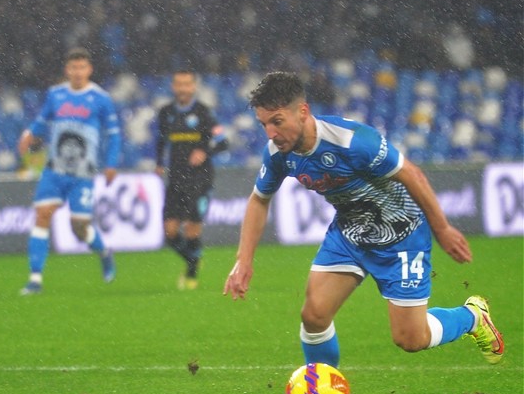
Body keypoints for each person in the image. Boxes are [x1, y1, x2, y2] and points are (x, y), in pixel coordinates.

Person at [223, 71, 503, 367]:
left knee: (411, 338)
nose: (270, 133)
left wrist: (442, 228)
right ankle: (321, 385)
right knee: (314, 315)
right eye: (264, 124)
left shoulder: (353, 141)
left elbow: (412, 174)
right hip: (350, 234)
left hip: (402, 234)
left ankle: (472, 317)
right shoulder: (277, 154)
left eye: (277, 121)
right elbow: (259, 199)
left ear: (302, 111)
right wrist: (244, 260)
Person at [17, 48, 121, 295]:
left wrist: (111, 164)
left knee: (79, 228)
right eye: (74, 67)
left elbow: (114, 135)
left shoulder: (100, 98)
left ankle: (103, 252)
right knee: (42, 215)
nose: (78, 72)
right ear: (67, 70)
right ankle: (35, 278)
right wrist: (29, 134)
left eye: (82, 67)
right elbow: (42, 121)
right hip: (55, 170)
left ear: (89, 70)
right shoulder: (56, 94)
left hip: (83, 173)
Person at [155, 70, 228, 290]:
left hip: (199, 178)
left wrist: (205, 152)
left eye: (187, 84)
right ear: (173, 86)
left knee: (191, 230)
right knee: (169, 232)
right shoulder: (166, 112)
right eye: (179, 84)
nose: (183, 88)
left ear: (194, 87)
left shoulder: (204, 113)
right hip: (175, 178)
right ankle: (193, 258)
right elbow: (161, 140)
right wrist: (159, 163)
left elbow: (223, 143)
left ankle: (191, 274)